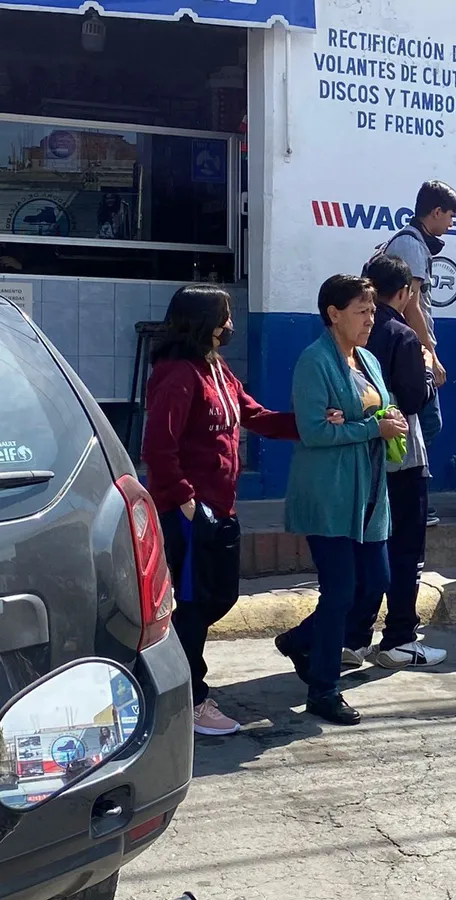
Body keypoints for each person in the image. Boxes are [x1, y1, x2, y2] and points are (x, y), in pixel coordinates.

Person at [142, 284, 301, 737]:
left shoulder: (216, 369)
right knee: (192, 605)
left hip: (220, 509)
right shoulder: (177, 373)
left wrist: (309, 423)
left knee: (218, 597)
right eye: (224, 316)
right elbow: (158, 447)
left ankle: (167, 674)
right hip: (188, 514)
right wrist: (186, 500)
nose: (231, 324)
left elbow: (255, 415)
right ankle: (190, 701)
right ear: (203, 322)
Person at [274, 275, 408, 726]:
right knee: (339, 591)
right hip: (330, 493)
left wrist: (382, 417)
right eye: (361, 311)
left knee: (376, 580)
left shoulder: (367, 359)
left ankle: (299, 640)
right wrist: (372, 427)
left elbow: (377, 409)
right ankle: (324, 689)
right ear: (333, 313)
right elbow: (314, 430)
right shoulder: (314, 361)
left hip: (369, 492)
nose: (371, 320)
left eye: (372, 311)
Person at [341, 255, 447, 670]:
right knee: (406, 550)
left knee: (368, 547)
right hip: (401, 457)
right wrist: (425, 371)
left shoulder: (347, 337)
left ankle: (353, 637)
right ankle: (400, 638)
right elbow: (415, 398)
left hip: (359, 456)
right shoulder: (402, 335)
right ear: (405, 293)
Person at [375, 180, 456, 526]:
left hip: (405, 347)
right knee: (424, 422)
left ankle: (401, 496)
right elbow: (409, 304)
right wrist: (430, 354)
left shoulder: (410, 242)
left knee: (417, 424)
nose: (451, 224)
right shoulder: (410, 245)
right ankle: (405, 497)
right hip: (407, 350)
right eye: (450, 216)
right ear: (436, 212)